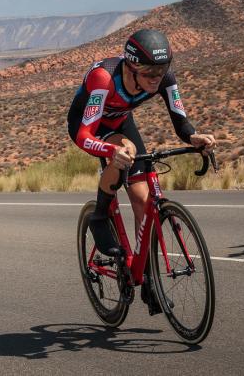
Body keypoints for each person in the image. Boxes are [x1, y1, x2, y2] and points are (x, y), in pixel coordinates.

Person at [67, 29, 215, 311]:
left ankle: (148, 279)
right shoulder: (104, 78)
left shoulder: (164, 79)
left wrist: (194, 137)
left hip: (121, 123)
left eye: (161, 70)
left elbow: (181, 122)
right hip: (89, 127)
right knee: (125, 154)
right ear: (131, 67)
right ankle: (100, 215)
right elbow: (85, 134)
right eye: (149, 72)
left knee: (144, 200)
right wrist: (112, 151)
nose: (156, 78)